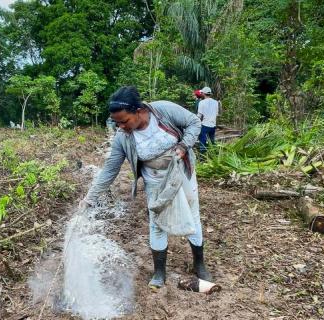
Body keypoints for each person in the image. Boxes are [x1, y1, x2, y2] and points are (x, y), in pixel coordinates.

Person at [79, 86, 212, 288]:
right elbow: (109, 169)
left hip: (181, 170)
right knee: (156, 222)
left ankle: (199, 264)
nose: (121, 127)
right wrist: (90, 198)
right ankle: (159, 272)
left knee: (193, 214)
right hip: (154, 179)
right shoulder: (123, 137)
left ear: (139, 111)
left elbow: (194, 122)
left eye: (124, 121)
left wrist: (184, 146)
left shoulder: (163, 111)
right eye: (117, 123)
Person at [197, 86, 221, 156]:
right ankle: (213, 156)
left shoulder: (201, 102)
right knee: (212, 142)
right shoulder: (216, 102)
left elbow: (199, 116)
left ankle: (202, 157)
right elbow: (216, 114)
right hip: (213, 125)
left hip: (204, 125)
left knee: (202, 142)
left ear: (203, 94)